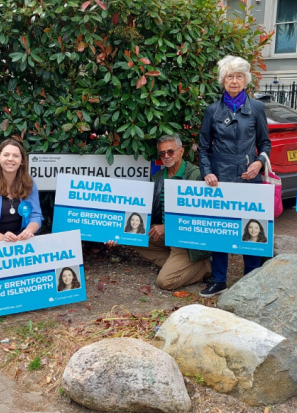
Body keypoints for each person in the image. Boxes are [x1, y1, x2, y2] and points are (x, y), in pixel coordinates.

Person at [199, 55, 271, 298]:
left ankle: (252, 277)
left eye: (239, 76)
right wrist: (207, 171)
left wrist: (260, 163)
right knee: (219, 229)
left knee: (251, 227)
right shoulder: (212, 110)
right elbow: (203, 148)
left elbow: (265, 143)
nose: (234, 81)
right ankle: (219, 279)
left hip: (249, 178)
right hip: (220, 179)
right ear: (223, 80)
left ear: (246, 80)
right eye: (230, 76)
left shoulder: (257, 108)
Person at [109, 133, 211, 290]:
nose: (166, 156)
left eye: (170, 151)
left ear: (181, 151)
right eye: (162, 153)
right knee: (130, 232)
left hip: (186, 240)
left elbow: (201, 217)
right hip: (165, 236)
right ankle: (177, 264)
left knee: (165, 282)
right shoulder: (158, 177)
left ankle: (204, 267)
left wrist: (168, 227)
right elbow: (143, 210)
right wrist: (116, 235)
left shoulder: (195, 175)